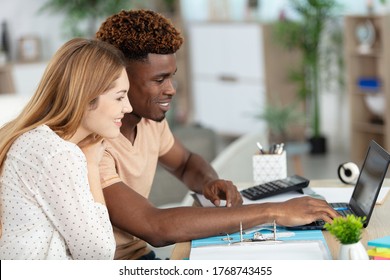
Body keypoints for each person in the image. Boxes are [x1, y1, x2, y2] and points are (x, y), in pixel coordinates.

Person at [96, 9, 339, 260]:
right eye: (159, 80)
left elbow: (185, 163)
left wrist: (208, 182)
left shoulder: (149, 120)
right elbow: (155, 227)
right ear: (119, 77)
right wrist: (273, 211)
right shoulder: (94, 144)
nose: (171, 90)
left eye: (172, 77)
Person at [0, 38, 132, 260]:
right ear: (88, 97)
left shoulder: (34, 140)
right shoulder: (58, 154)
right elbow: (98, 254)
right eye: (120, 97)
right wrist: (91, 164)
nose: (127, 107)